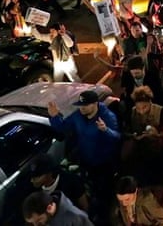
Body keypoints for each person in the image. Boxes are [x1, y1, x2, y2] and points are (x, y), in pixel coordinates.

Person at [48, 90, 121, 222]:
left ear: (95, 104)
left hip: (104, 165)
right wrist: (54, 117)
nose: (81, 108)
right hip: (86, 161)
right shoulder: (78, 116)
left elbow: (117, 138)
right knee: (91, 188)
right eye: (80, 105)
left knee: (105, 193)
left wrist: (106, 130)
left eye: (85, 105)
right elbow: (63, 127)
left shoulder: (108, 117)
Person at [22, 190, 93, 226]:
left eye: (39, 220)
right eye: (32, 223)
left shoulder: (75, 217)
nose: (36, 225)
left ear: (49, 208)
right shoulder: (47, 210)